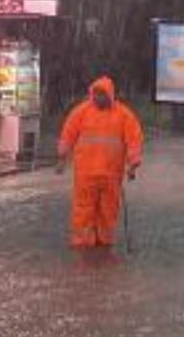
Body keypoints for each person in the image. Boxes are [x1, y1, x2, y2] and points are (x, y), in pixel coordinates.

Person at [57, 76, 143, 249]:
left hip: (111, 175)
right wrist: (61, 158)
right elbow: (68, 135)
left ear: (110, 95)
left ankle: (104, 241)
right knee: (83, 210)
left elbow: (134, 140)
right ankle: (82, 242)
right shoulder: (80, 112)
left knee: (108, 210)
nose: (98, 98)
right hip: (85, 174)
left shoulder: (124, 115)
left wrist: (133, 165)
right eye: (95, 94)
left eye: (101, 94)